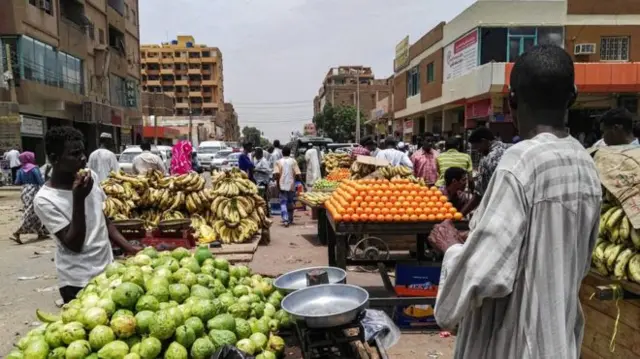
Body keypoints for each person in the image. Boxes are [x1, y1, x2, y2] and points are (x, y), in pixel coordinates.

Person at [432, 45, 602, 359]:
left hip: (513, 346)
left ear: (512, 101)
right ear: (573, 96)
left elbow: (483, 274)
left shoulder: (520, 163)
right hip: (558, 341)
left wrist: (451, 248)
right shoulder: (584, 163)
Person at [34, 127, 140, 303]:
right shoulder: (45, 199)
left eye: (83, 152)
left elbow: (102, 218)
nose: (82, 158)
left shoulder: (91, 177)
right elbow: (74, 244)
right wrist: (78, 199)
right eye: (75, 154)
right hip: (77, 281)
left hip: (107, 271)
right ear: (54, 159)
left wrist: (128, 247)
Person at [460, 127, 509, 215]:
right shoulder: (511, 148)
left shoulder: (488, 158)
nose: (478, 152)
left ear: (484, 141)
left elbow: (479, 193)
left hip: (498, 209)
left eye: (477, 148)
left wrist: (460, 215)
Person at [12, 151, 48, 244]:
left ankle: (41, 232)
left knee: (32, 210)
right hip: (34, 190)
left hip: (24, 190)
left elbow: (17, 182)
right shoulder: (34, 168)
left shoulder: (20, 170)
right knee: (32, 211)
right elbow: (40, 181)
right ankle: (18, 231)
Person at [273, 146, 301, 227]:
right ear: (289, 153)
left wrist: (278, 185)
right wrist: (303, 184)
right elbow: (298, 174)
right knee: (290, 202)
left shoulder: (278, 162)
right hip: (291, 185)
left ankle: (285, 220)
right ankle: (290, 219)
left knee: (283, 203)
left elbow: (277, 175)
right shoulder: (293, 161)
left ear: (282, 153)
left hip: (282, 185)